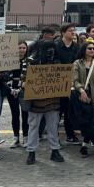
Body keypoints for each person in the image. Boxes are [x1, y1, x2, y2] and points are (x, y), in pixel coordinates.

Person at [24, 37, 65, 165]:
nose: (50, 52)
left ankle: (55, 150)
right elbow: (23, 78)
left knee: (53, 127)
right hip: (36, 101)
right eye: (48, 49)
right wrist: (25, 83)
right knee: (34, 126)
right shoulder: (31, 61)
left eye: (52, 49)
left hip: (53, 100)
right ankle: (31, 152)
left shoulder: (58, 62)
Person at [71, 42, 94, 159]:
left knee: (91, 121)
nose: (92, 50)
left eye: (93, 48)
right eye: (89, 48)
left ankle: (84, 146)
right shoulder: (77, 63)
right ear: (84, 49)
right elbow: (75, 80)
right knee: (88, 121)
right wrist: (81, 90)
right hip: (81, 96)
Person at [55, 23, 81, 145]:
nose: (73, 32)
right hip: (58, 82)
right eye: (70, 30)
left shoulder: (77, 47)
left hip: (72, 82)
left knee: (69, 110)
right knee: (57, 111)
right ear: (63, 33)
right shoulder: (56, 46)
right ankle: (54, 137)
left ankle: (70, 135)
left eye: (74, 30)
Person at [5, 41, 29, 148]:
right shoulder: (9, 61)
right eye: (20, 48)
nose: (22, 50)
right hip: (11, 90)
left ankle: (26, 137)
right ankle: (16, 138)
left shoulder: (30, 61)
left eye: (24, 48)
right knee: (15, 115)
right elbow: (5, 75)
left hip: (24, 90)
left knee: (25, 115)